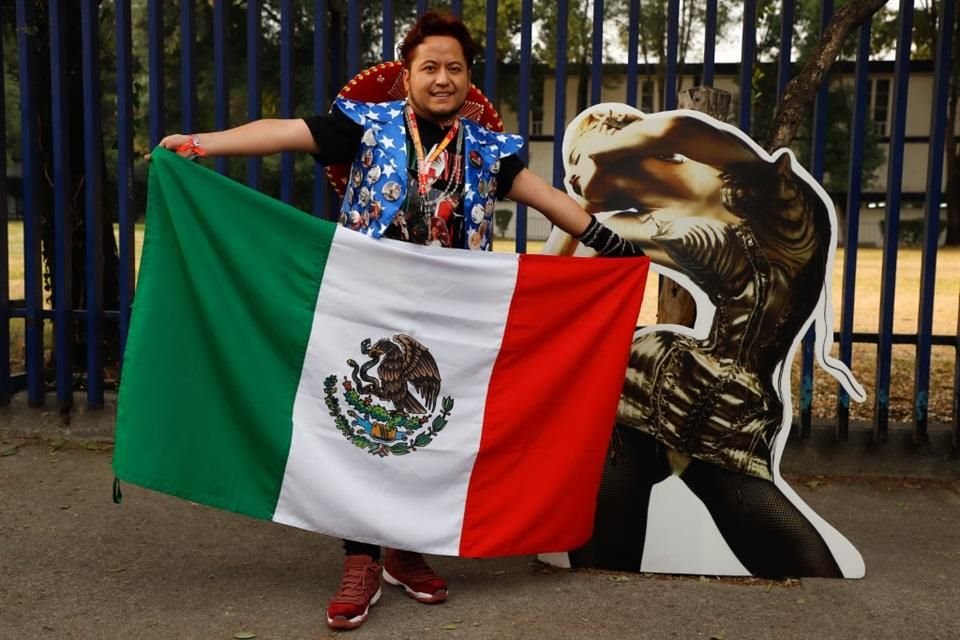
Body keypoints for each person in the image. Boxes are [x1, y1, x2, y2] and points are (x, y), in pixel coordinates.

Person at [156, 11, 641, 631]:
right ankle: (359, 557)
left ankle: (404, 550)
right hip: (364, 308)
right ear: (407, 74)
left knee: (433, 428)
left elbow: (551, 202)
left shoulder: (491, 149)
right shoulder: (365, 125)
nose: (443, 79)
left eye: (455, 68)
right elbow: (283, 130)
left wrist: (615, 248)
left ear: (470, 79)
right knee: (359, 424)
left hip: (449, 312)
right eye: (430, 67)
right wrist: (204, 143)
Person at [544, 104, 865, 578]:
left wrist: (602, 147)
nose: (571, 179)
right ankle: (599, 605)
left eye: (576, 162)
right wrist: (577, 208)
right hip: (659, 388)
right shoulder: (643, 227)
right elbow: (554, 277)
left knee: (809, 568)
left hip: (733, 410)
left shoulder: (746, 178)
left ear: (621, 142)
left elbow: (677, 128)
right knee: (604, 564)